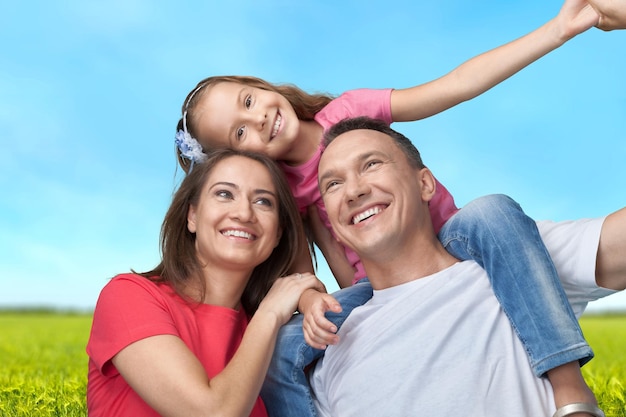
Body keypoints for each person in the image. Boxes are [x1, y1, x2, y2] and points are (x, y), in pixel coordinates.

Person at [172, 1, 626, 415]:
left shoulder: (348, 112)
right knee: (286, 341)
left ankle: (569, 388)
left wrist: (558, 30)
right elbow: (312, 276)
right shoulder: (287, 194)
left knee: (490, 214)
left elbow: (456, 86)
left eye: (248, 101)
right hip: (374, 287)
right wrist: (321, 304)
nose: (258, 119)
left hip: (450, 241)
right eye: (239, 133)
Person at [310, 116, 621, 417]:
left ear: (425, 184)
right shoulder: (332, 352)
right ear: (334, 225)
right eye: (334, 184)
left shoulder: (513, 258)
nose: (353, 191)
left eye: (372, 164)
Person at [86, 148, 325, 417]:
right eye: (224, 194)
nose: (244, 213)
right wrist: (269, 313)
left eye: (263, 202)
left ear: (278, 233)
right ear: (192, 216)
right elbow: (212, 412)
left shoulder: (272, 338)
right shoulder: (127, 297)